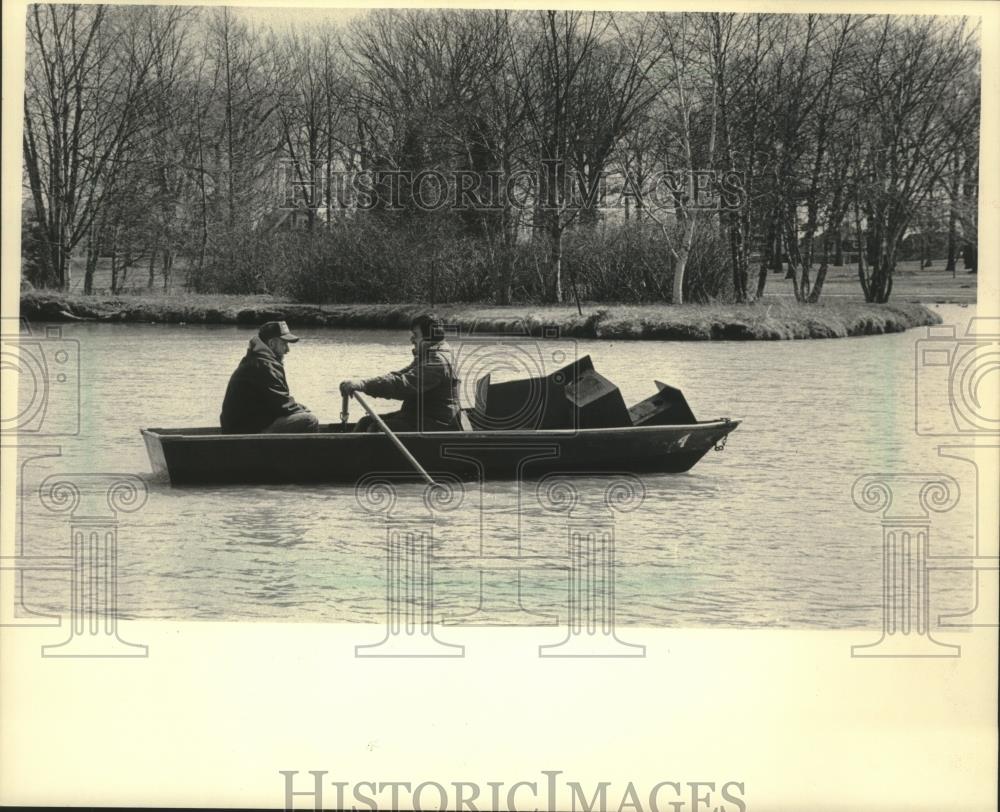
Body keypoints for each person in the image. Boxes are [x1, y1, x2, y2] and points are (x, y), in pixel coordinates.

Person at [339, 314, 461, 432]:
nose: (411, 339)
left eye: (415, 335)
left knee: (376, 429)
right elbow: (398, 376)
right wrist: (363, 383)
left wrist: (363, 385)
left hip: (438, 423)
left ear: (429, 337)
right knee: (365, 422)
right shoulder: (428, 354)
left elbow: (403, 385)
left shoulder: (437, 360)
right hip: (421, 416)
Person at [220, 320, 319, 434]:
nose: (287, 350)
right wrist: (303, 410)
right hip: (246, 434)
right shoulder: (265, 365)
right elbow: (283, 405)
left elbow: (277, 402)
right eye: (284, 344)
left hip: (241, 429)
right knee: (309, 420)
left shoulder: (255, 360)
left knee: (302, 414)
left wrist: (300, 408)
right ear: (272, 343)